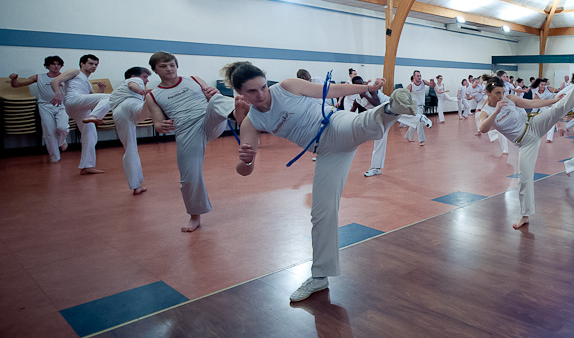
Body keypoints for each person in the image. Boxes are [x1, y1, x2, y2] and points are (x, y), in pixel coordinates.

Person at [226, 61, 416, 302]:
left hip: (334, 124)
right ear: (239, 93)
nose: (261, 94)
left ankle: (391, 109)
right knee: (322, 213)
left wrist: (368, 88)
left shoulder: (287, 87)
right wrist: (246, 160)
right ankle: (319, 277)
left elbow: (332, 90)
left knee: (358, 125)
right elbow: (244, 171)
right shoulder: (252, 122)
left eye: (263, 87)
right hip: (327, 153)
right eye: (252, 91)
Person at [478, 75, 574, 229]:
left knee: (557, 109)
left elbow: (531, 103)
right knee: (524, 179)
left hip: (533, 125)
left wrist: (553, 101)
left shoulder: (510, 99)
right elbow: (483, 128)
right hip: (525, 143)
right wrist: (496, 111)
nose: (501, 96)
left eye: (502, 92)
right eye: (497, 93)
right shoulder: (485, 112)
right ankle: (525, 215)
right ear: (487, 93)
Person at [145, 51, 236, 232]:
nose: (169, 69)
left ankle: (243, 113)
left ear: (177, 66)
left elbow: (212, 96)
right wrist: (160, 126)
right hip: (186, 130)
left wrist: (214, 93)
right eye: (163, 66)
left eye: (172, 65)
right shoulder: (153, 95)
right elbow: (157, 122)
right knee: (188, 177)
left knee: (217, 100)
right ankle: (195, 216)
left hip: (208, 118)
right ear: (155, 70)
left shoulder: (194, 79)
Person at [50, 54, 111, 175]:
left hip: (80, 108)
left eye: (96, 64)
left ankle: (87, 167)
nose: (93, 66)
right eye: (90, 63)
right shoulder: (75, 72)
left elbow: (94, 99)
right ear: (82, 64)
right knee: (111, 97)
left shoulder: (87, 83)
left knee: (90, 135)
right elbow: (55, 81)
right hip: (73, 100)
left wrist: (101, 90)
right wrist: (57, 93)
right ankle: (94, 116)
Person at [9, 56, 69, 163]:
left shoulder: (65, 77)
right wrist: (14, 79)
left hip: (61, 105)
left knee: (62, 127)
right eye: (53, 64)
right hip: (45, 106)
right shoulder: (38, 77)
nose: (56, 66)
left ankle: (62, 141)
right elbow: (16, 85)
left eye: (58, 64)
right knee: (49, 132)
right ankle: (54, 157)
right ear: (48, 66)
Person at [110, 67, 152, 194]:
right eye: (145, 77)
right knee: (155, 100)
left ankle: (136, 185)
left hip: (120, 112)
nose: (146, 80)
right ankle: (135, 184)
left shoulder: (122, 88)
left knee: (130, 147)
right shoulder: (134, 81)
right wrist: (140, 90)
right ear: (134, 76)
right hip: (129, 106)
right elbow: (133, 85)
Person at [399, 70, 435, 145]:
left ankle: (408, 136)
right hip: (414, 106)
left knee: (415, 121)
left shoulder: (423, 82)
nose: (419, 77)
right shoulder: (411, 86)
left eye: (420, 76)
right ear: (414, 77)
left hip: (421, 106)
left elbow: (432, 85)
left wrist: (433, 82)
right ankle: (421, 140)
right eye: (417, 76)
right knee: (420, 121)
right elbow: (404, 94)